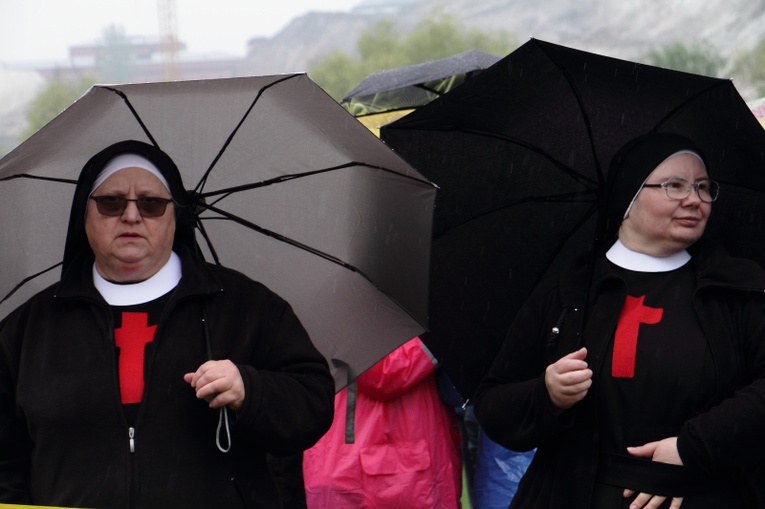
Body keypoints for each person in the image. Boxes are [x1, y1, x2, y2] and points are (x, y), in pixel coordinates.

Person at [0, 140, 335, 509]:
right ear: (84, 213)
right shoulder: (28, 328)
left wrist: (250, 390)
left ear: (176, 216)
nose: (131, 216)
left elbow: (313, 403)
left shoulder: (244, 305)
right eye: (111, 202)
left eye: (151, 203)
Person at [473, 132, 765, 508]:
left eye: (704, 187)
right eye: (675, 186)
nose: (695, 199)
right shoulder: (568, 291)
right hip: (572, 495)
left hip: (703, 493)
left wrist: (690, 448)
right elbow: (493, 405)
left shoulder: (738, 288)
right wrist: (547, 394)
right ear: (628, 200)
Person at [302, 336, 463, 509]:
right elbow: (384, 371)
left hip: (389, 466)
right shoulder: (358, 316)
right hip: (376, 472)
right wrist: (440, 340)